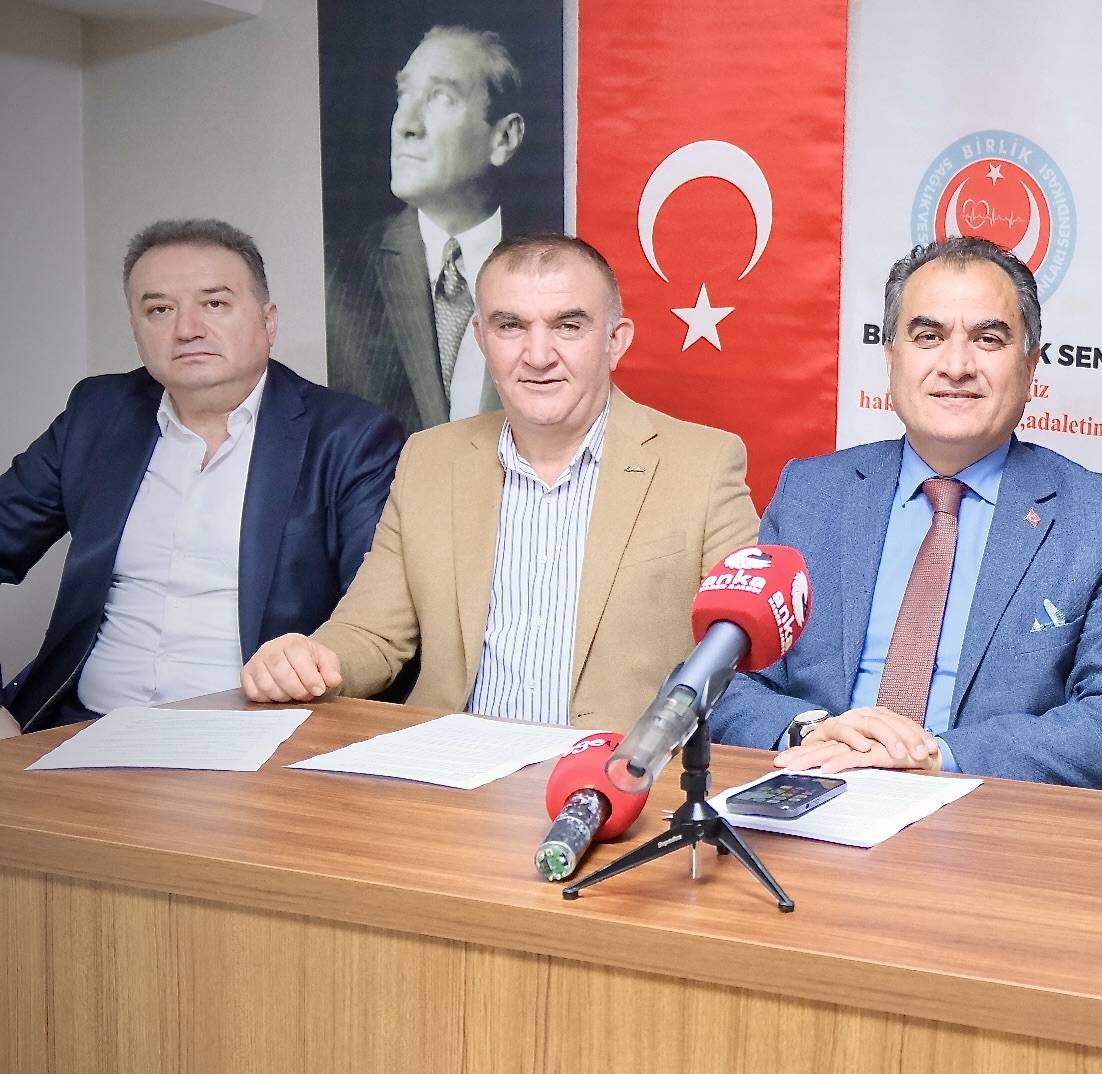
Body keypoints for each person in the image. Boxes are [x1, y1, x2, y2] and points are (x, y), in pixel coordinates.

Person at [242, 233, 758, 732]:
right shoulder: (429, 459)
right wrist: (309, 658)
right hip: (451, 766)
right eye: (511, 326)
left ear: (614, 340)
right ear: (481, 339)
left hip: (617, 772)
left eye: (568, 326)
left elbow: (745, 657)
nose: (538, 355)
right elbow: (371, 632)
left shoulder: (704, 465)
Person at [709, 237, 1102, 787]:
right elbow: (722, 682)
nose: (956, 366)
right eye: (928, 336)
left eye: (988, 339)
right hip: (811, 790)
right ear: (891, 358)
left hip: (982, 814)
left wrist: (936, 756)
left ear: (1030, 367)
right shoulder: (811, 494)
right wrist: (810, 730)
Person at [0, 218, 403, 732]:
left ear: (268, 321)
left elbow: (373, 620)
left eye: (214, 304)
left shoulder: (350, 437)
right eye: (159, 309)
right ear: (135, 328)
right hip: (78, 727)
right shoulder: (97, 414)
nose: (186, 329)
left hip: (254, 735)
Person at [326, 24, 530, 433]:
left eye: (440, 97)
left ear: (504, 138)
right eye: (404, 95)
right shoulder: (335, 273)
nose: (405, 125)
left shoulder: (558, 270)